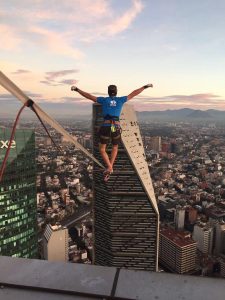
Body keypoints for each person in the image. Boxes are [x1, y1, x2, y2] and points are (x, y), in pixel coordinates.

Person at [71, 83, 153, 181]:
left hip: (106, 126)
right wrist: (145, 87)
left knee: (102, 149)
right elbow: (134, 93)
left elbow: (89, 96)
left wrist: (77, 90)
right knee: (115, 146)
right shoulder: (120, 100)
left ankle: (109, 167)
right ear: (116, 92)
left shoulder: (104, 100)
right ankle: (110, 166)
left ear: (108, 92)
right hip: (115, 127)